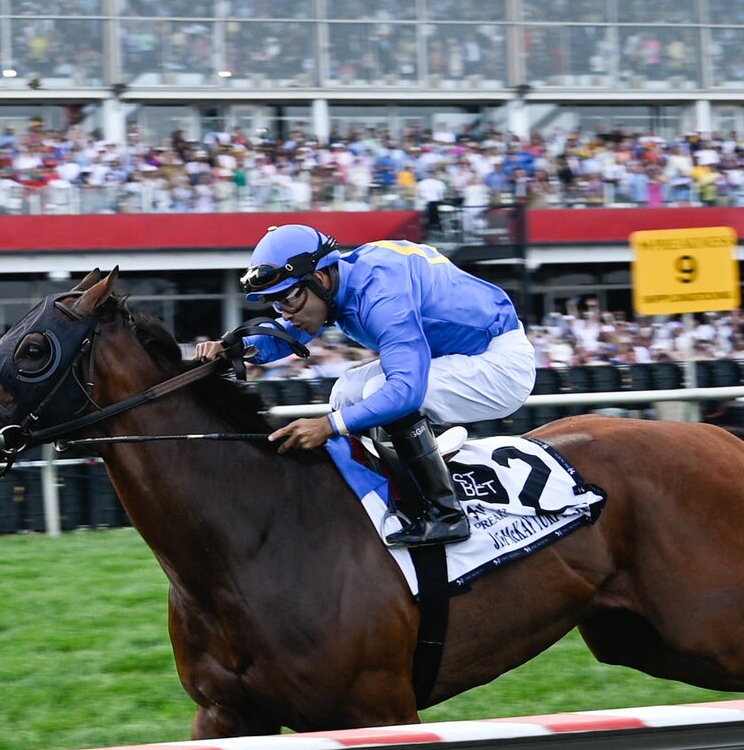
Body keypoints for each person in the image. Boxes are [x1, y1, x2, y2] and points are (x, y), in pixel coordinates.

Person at [200, 223, 535, 545]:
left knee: (379, 395)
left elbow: (405, 391)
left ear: (318, 279)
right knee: (345, 392)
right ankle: (380, 490)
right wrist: (236, 348)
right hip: (453, 356)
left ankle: (446, 515)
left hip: (500, 363)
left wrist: (328, 426)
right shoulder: (337, 284)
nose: (284, 313)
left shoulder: (381, 295)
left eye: (287, 300)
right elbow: (288, 334)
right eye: (276, 304)